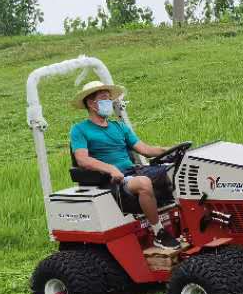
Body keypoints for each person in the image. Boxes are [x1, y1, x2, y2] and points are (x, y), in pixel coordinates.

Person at [69, 81, 184, 251]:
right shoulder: (80, 130)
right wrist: (110, 168)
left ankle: (186, 226)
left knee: (178, 171)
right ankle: (159, 233)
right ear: (91, 104)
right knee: (144, 183)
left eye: (109, 99)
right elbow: (83, 160)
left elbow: (144, 149)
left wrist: (172, 150)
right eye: (104, 99)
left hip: (133, 171)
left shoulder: (119, 127)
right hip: (111, 179)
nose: (108, 102)